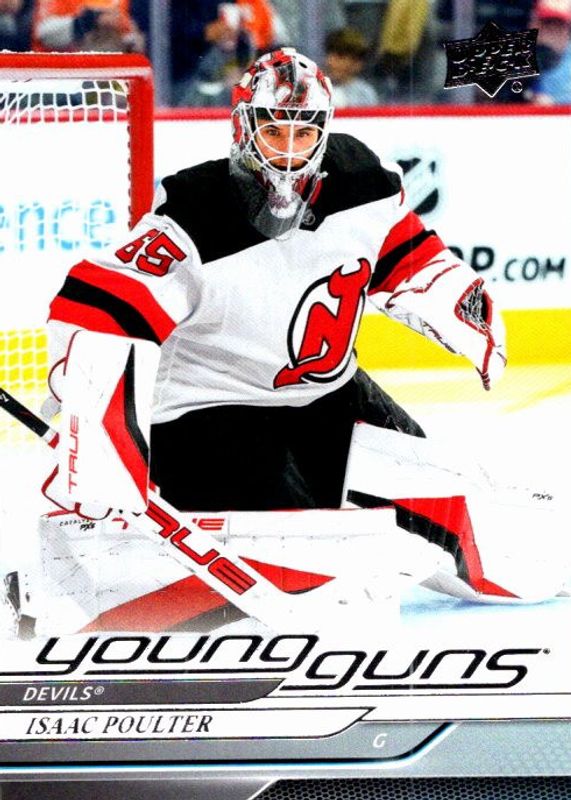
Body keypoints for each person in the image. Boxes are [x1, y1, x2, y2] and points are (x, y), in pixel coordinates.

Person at [45, 47, 506, 515]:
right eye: (273, 132)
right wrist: (97, 442)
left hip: (329, 395)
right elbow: (96, 310)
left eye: (303, 133)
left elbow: (405, 255)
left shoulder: (363, 182)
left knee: (440, 504)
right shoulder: (194, 215)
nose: (288, 152)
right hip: (209, 410)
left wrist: (462, 307)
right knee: (300, 539)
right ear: (243, 129)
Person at [324, 27, 379, 107]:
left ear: (357, 63)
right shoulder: (314, 90)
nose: (330, 62)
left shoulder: (365, 95)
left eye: (340, 57)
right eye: (329, 55)